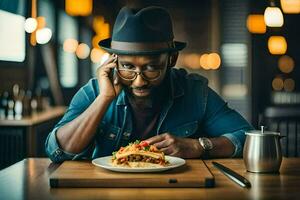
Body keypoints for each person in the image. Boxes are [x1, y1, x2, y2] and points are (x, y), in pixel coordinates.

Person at [45, 6, 253, 163]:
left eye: (152, 68)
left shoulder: (195, 92)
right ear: (113, 60)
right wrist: (104, 99)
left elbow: (249, 138)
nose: (139, 80)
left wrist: (199, 146)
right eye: (128, 67)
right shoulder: (94, 91)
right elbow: (57, 150)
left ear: (171, 60)